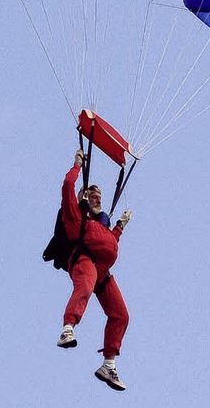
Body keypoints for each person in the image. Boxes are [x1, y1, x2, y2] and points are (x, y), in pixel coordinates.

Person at [56, 148, 132, 391]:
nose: (97, 198)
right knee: (85, 287)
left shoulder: (103, 225)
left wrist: (120, 225)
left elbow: (110, 243)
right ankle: (68, 328)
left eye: (99, 195)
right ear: (83, 199)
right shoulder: (76, 218)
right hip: (85, 262)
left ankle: (108, 365)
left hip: (103, 271)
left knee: (121, 315)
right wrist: (77, 164)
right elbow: (68, 186)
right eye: (92, 195)